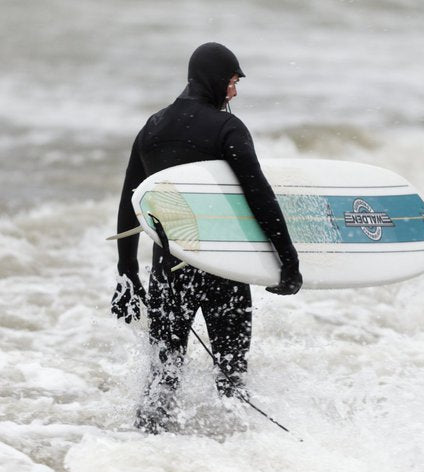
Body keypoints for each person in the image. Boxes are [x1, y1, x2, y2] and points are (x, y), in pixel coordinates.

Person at [111, 42, 302, 434]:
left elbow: (131, 203)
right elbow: (258, 194)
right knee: (232, 378)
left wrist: (126, 273)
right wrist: (288, 259)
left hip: (169, 271)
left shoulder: (152, 127)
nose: (234, 91)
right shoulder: (226, 127)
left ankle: (146, 459)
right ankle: (230, 458)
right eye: (232, 81)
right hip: (222, 269)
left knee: (162, 379)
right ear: (217, 79)